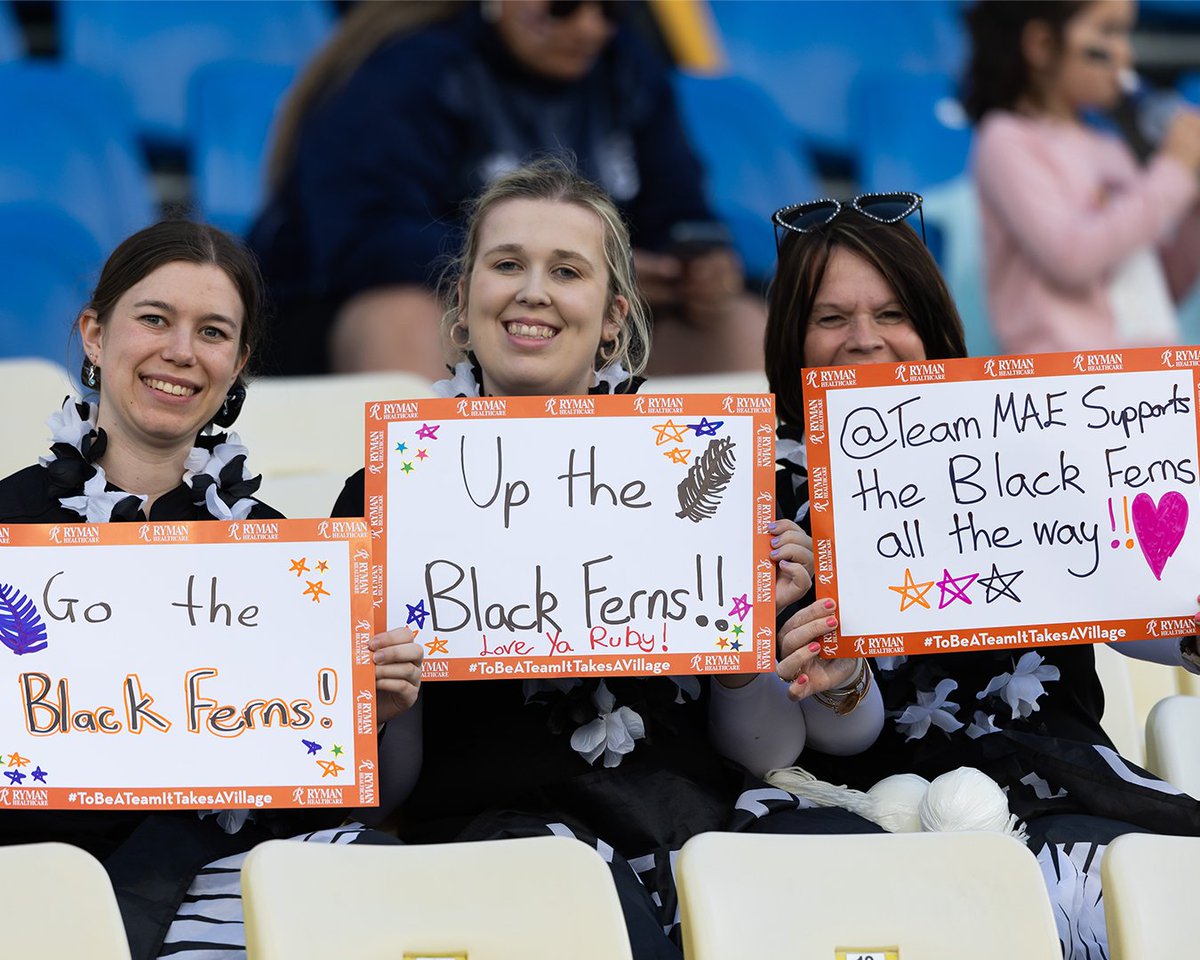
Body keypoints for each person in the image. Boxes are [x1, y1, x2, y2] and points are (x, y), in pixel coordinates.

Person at [333, 159, 884, 959]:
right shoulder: (384, 495)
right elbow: (389, 791)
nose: (533, 292)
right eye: (507, 264)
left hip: (701, 827)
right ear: (462, 298)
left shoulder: (703, 470)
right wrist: (385, 703)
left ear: (614, 315)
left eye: (567, 271)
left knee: (851, 867)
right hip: (503, 849)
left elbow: (764, 754)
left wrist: (741, 650)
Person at [765, 194, 1200, 960]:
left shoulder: (1029, 432)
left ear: (934, 326)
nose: (863, 342)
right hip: (864, 802)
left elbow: (1140, 608)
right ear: (791, 339)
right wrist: (840, 679)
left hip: (1056, 775)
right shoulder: (756, 495)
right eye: (830, 318)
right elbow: (795, 726)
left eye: (893, 312)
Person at [0, 220, 420, 960]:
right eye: (154, 319)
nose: (181, 353)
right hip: (51, 891)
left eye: (213, 332)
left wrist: (367, 716)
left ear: (239, 363)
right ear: (94, 335)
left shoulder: (281, 554)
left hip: (254, 879)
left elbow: (343, 794)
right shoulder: (9, 529)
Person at [249, 0, 764, 382]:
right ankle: (402, 507)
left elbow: (682, 208)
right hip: (378, 321)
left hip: (580, 314)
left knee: (736, 322)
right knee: (402, 314)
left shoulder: (629, 68)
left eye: (612, 9)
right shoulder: (402, 70)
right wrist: (527, 270)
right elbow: (362, 241)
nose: (589, 26)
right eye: (562, 7)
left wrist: (701, 260)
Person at [966, 0, 1200, 354]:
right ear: (1042, 45)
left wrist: (1193, 207)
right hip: (1065, 385)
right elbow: (1071, 258)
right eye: (1108, 31)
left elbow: (1159, 284)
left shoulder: (1112, 147)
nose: (1125, 53)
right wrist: (1174, 173)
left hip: (1150, 378)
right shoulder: (1006, 141)